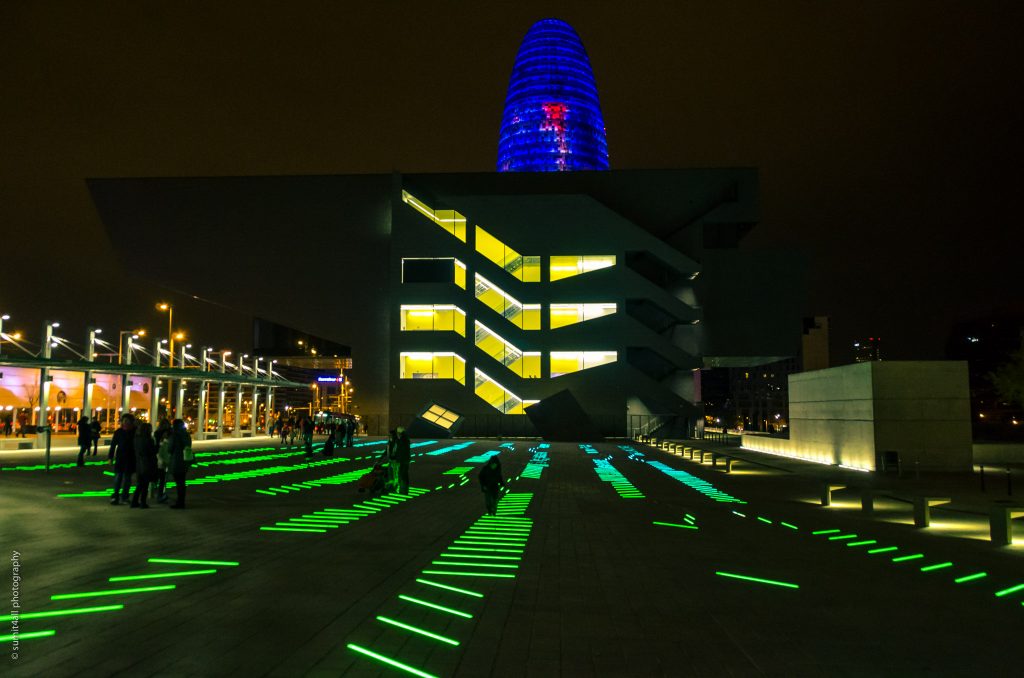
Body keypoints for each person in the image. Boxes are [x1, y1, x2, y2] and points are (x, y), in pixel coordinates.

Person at [108, 414, 137, 505]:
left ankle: (125, 497)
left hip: (131, 458)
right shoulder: (118, 432)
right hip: (120, 458)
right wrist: (110, 457)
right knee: (118, 478)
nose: (125, 423)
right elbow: (113, 445)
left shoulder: (135, 432)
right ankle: (115, 496)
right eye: (124, 421)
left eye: (128, 421)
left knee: (127, 479)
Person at [167, 418, 193, 509]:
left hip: (176, 460)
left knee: (179, 482)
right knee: (182, 481)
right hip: (185, 460)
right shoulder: (186, 435)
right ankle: (181, 501)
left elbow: (170, 449)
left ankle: (180, 502)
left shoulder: (174, 435)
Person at [131, 422, 157, 508]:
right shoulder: (148, 440)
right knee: (145, 485)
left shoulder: (136, 439)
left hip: (139, 463)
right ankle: (143, 502)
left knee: (139, 484)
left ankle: (134, 501)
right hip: (147, 464)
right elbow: (152, 452)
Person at [153, 418, 172, 503]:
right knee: (162, 477)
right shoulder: (168, 433)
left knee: (160, 476)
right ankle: (160, 494)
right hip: (162, 456)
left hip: (159, 455)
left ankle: (157, 491)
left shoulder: (157, 433)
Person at [392, 426, 411, 494]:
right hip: (404, 460)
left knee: (402, 474)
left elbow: (401, 451)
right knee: (403, 474)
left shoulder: (402, 440)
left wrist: (395, 457)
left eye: (397, 433)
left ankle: (403, 490)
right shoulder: (405, 439)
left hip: (403, 460)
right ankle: (404, 489)